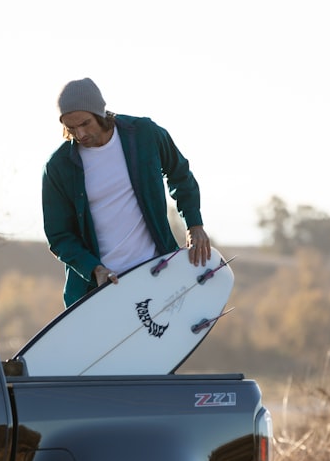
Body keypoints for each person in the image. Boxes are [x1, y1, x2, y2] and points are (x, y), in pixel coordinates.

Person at [41, 77, 211, 307]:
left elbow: (180, 174)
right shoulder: (58, 167)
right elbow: (59, 236)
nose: (80, 134)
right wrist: (95, 270)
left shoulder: (144, 135)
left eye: (85, 123)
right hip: (100, 289)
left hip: (157, 271)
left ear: (100, 113)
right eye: (71, 128)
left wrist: (194, 225)